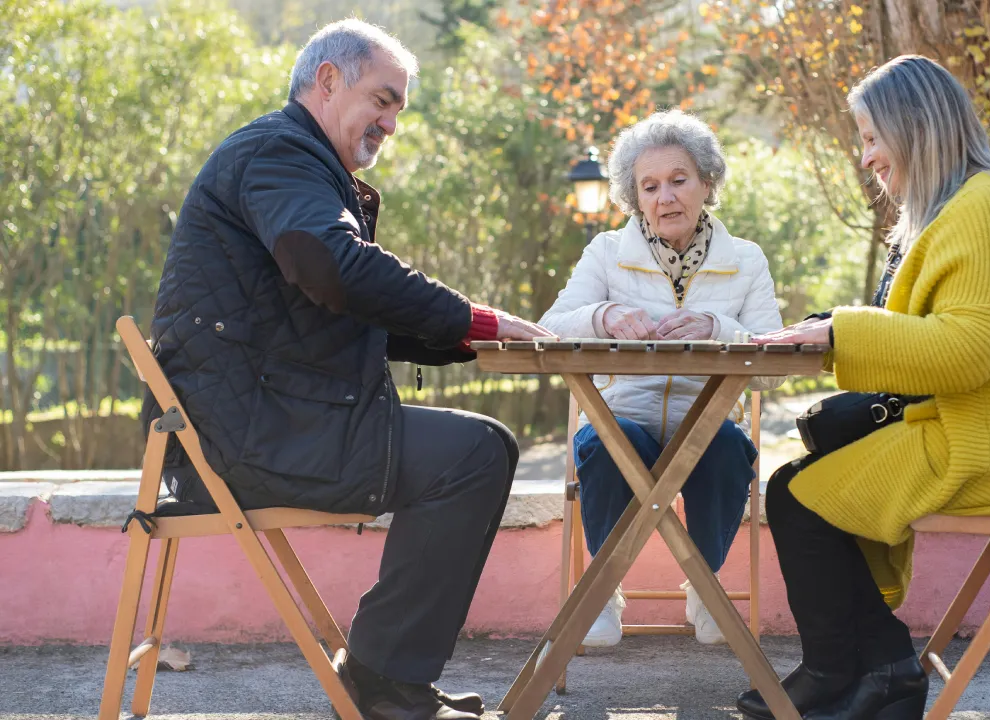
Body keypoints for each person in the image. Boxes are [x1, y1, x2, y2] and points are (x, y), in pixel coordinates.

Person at [141, 19, 553, 720]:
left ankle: (384, 675)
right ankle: (384, 683)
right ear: (328, 81)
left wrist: (467, 337)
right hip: (246, 436)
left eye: (398, 109)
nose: (391, 124)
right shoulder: (278, 153)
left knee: (481, 446)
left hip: (255, 422)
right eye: (382, 101)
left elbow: (335, 308)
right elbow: (334, 267)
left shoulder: (292, 160)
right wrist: (472, 319)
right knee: (476, 454)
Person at [735, 56, 990, 720]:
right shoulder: (960, 209)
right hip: (978, 428)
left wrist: (840, 332)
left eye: (872, 137)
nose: (865, 157)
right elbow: (930, 335)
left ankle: (866, 670)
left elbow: (967, 352)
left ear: (917, 126)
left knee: (800, 498)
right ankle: (865, 670)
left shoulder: (988, 210)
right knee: (799, 484)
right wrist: (832, 330)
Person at [538, 109, 784, 646]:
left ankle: (704, 587)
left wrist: (719, 327)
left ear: (707, 183)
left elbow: (774, 366)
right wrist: (602, 316)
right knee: (608, 441)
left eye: (678, 180)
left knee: (726, 446)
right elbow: (550, 328)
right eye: (649, 187)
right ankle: (602, 592)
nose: (665, 197)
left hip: (707, 424)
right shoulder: (606, 252)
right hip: (624, 417)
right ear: (635, 197)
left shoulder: (746, 260)